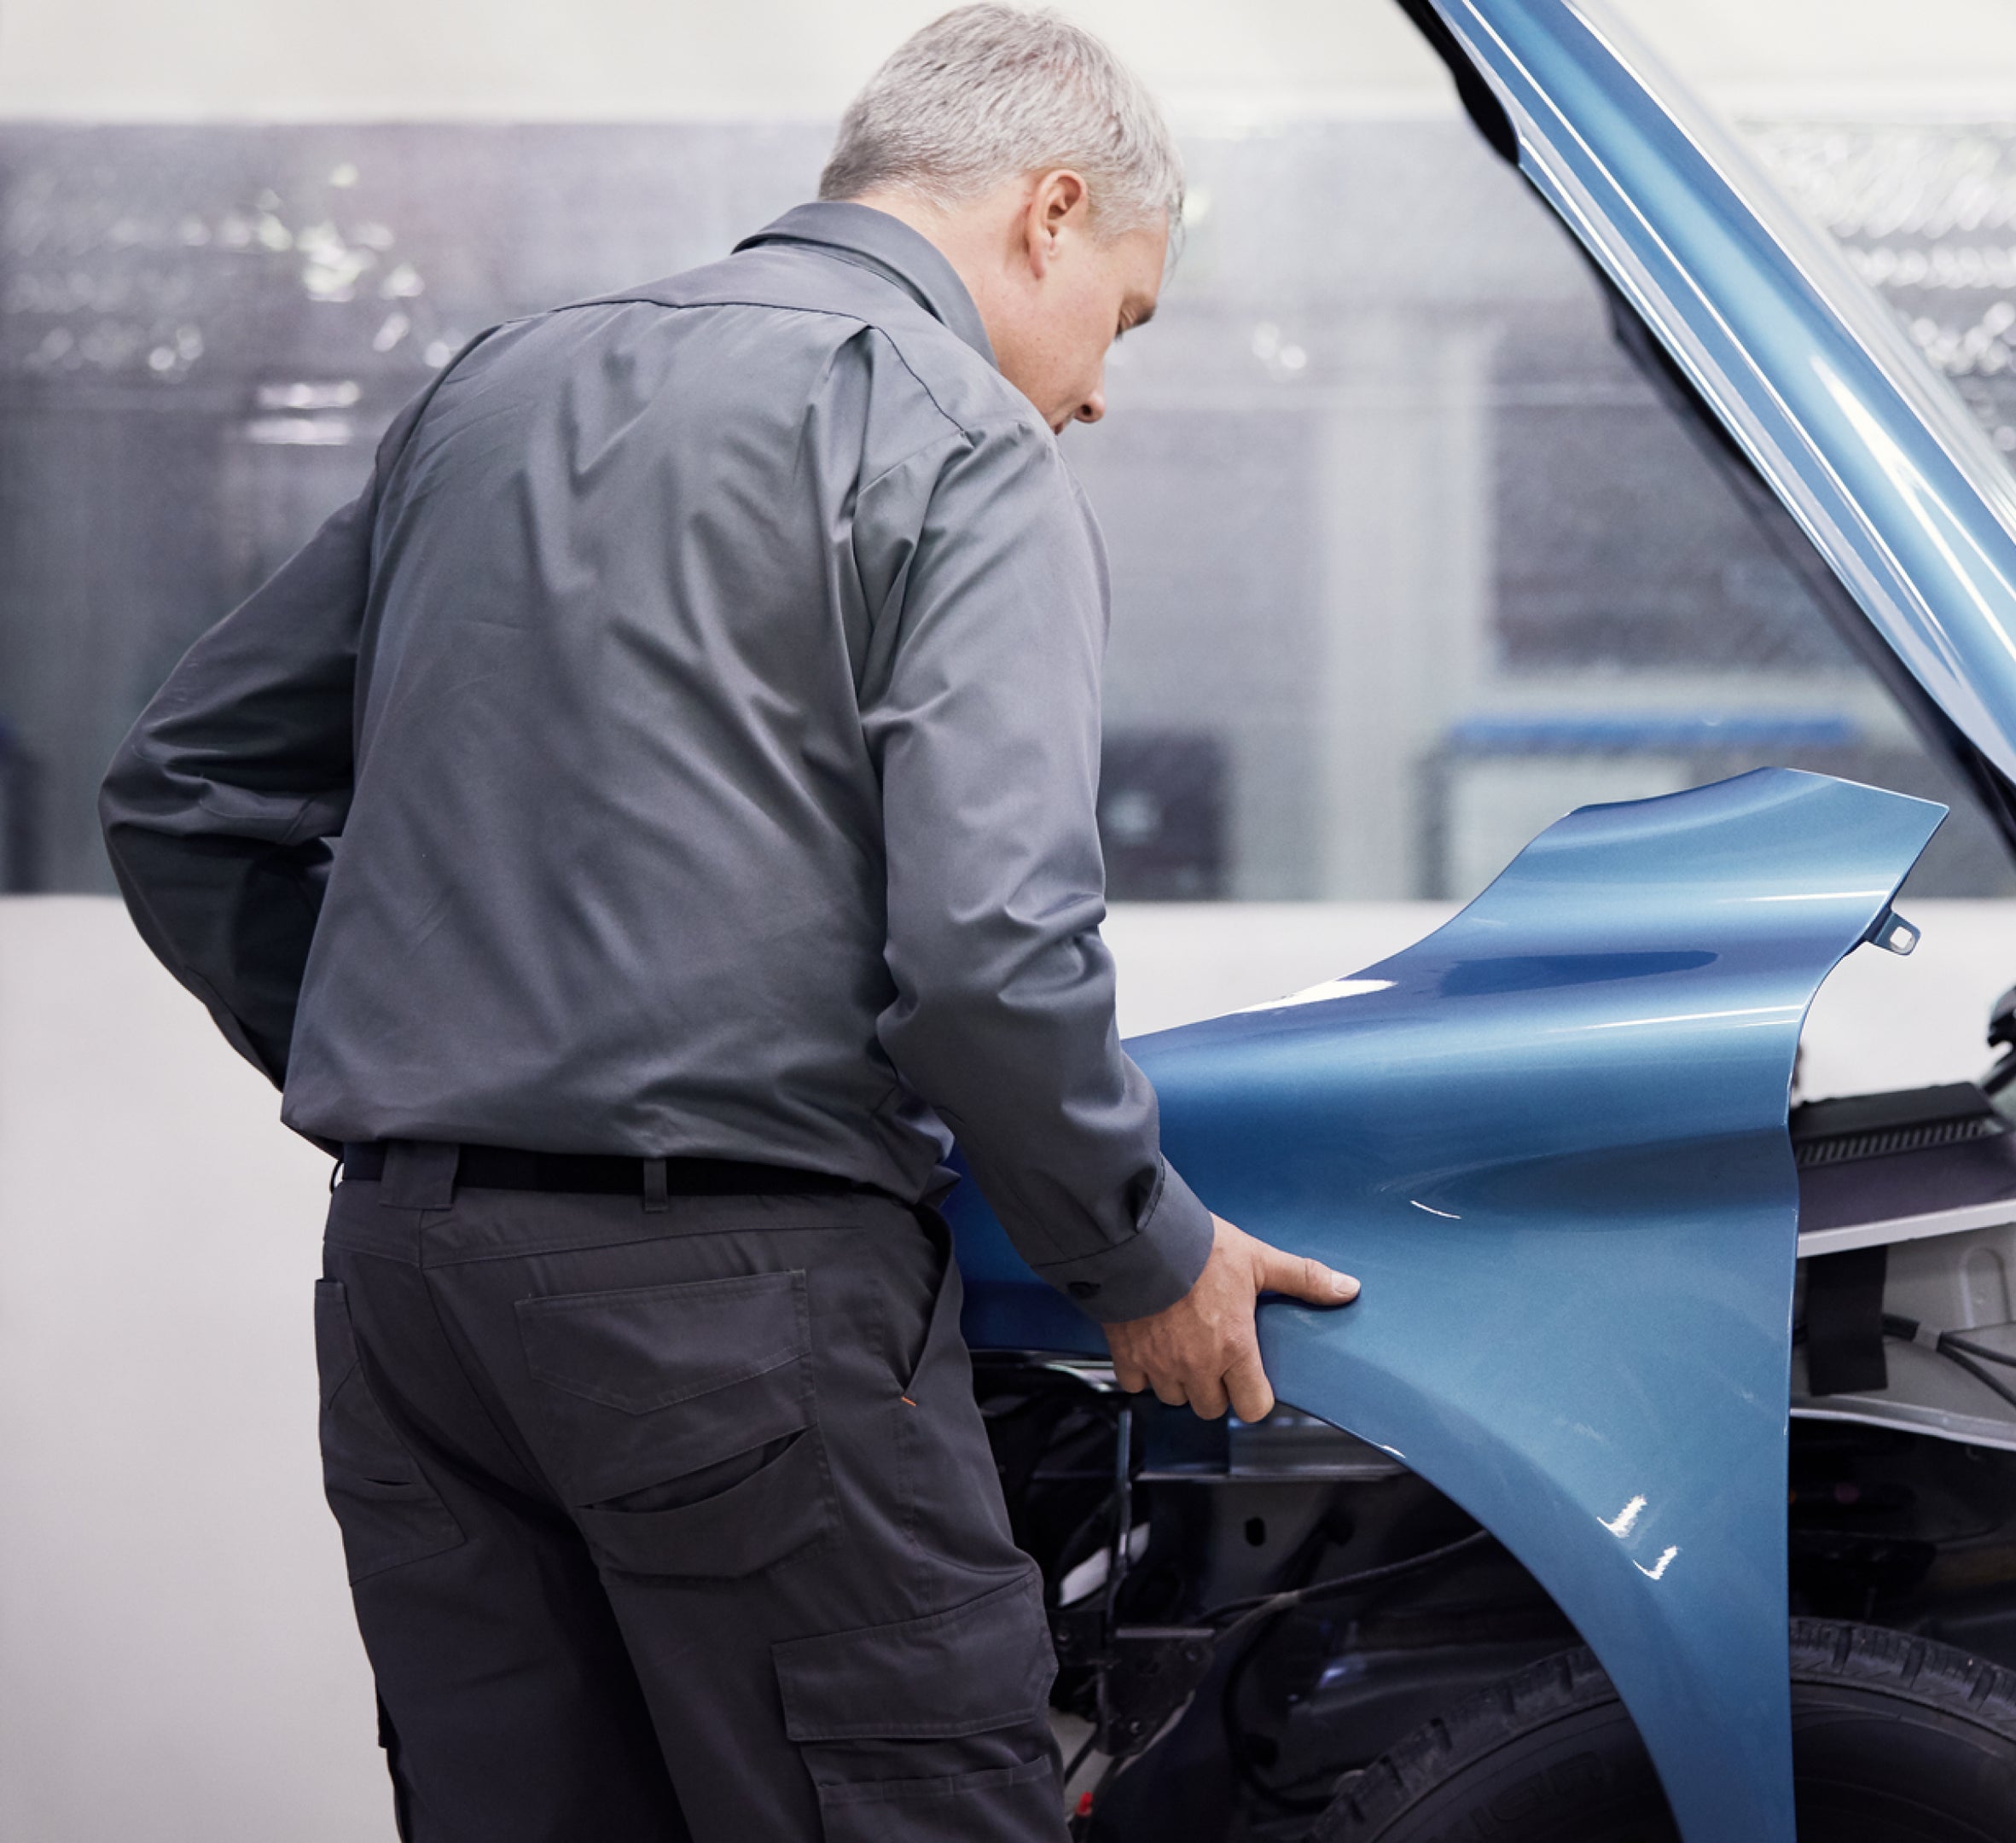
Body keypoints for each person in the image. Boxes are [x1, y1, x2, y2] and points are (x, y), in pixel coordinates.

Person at [96, 8, 1351, 1837]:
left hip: (414, 1303)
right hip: (737, 1319)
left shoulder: (495, 390)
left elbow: (178, 789)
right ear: (1048, 214)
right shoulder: (957, 438)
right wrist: (1140, 1254)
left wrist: (434, 1062)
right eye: (1126, 319)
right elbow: (993, 951)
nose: (1095, 389)